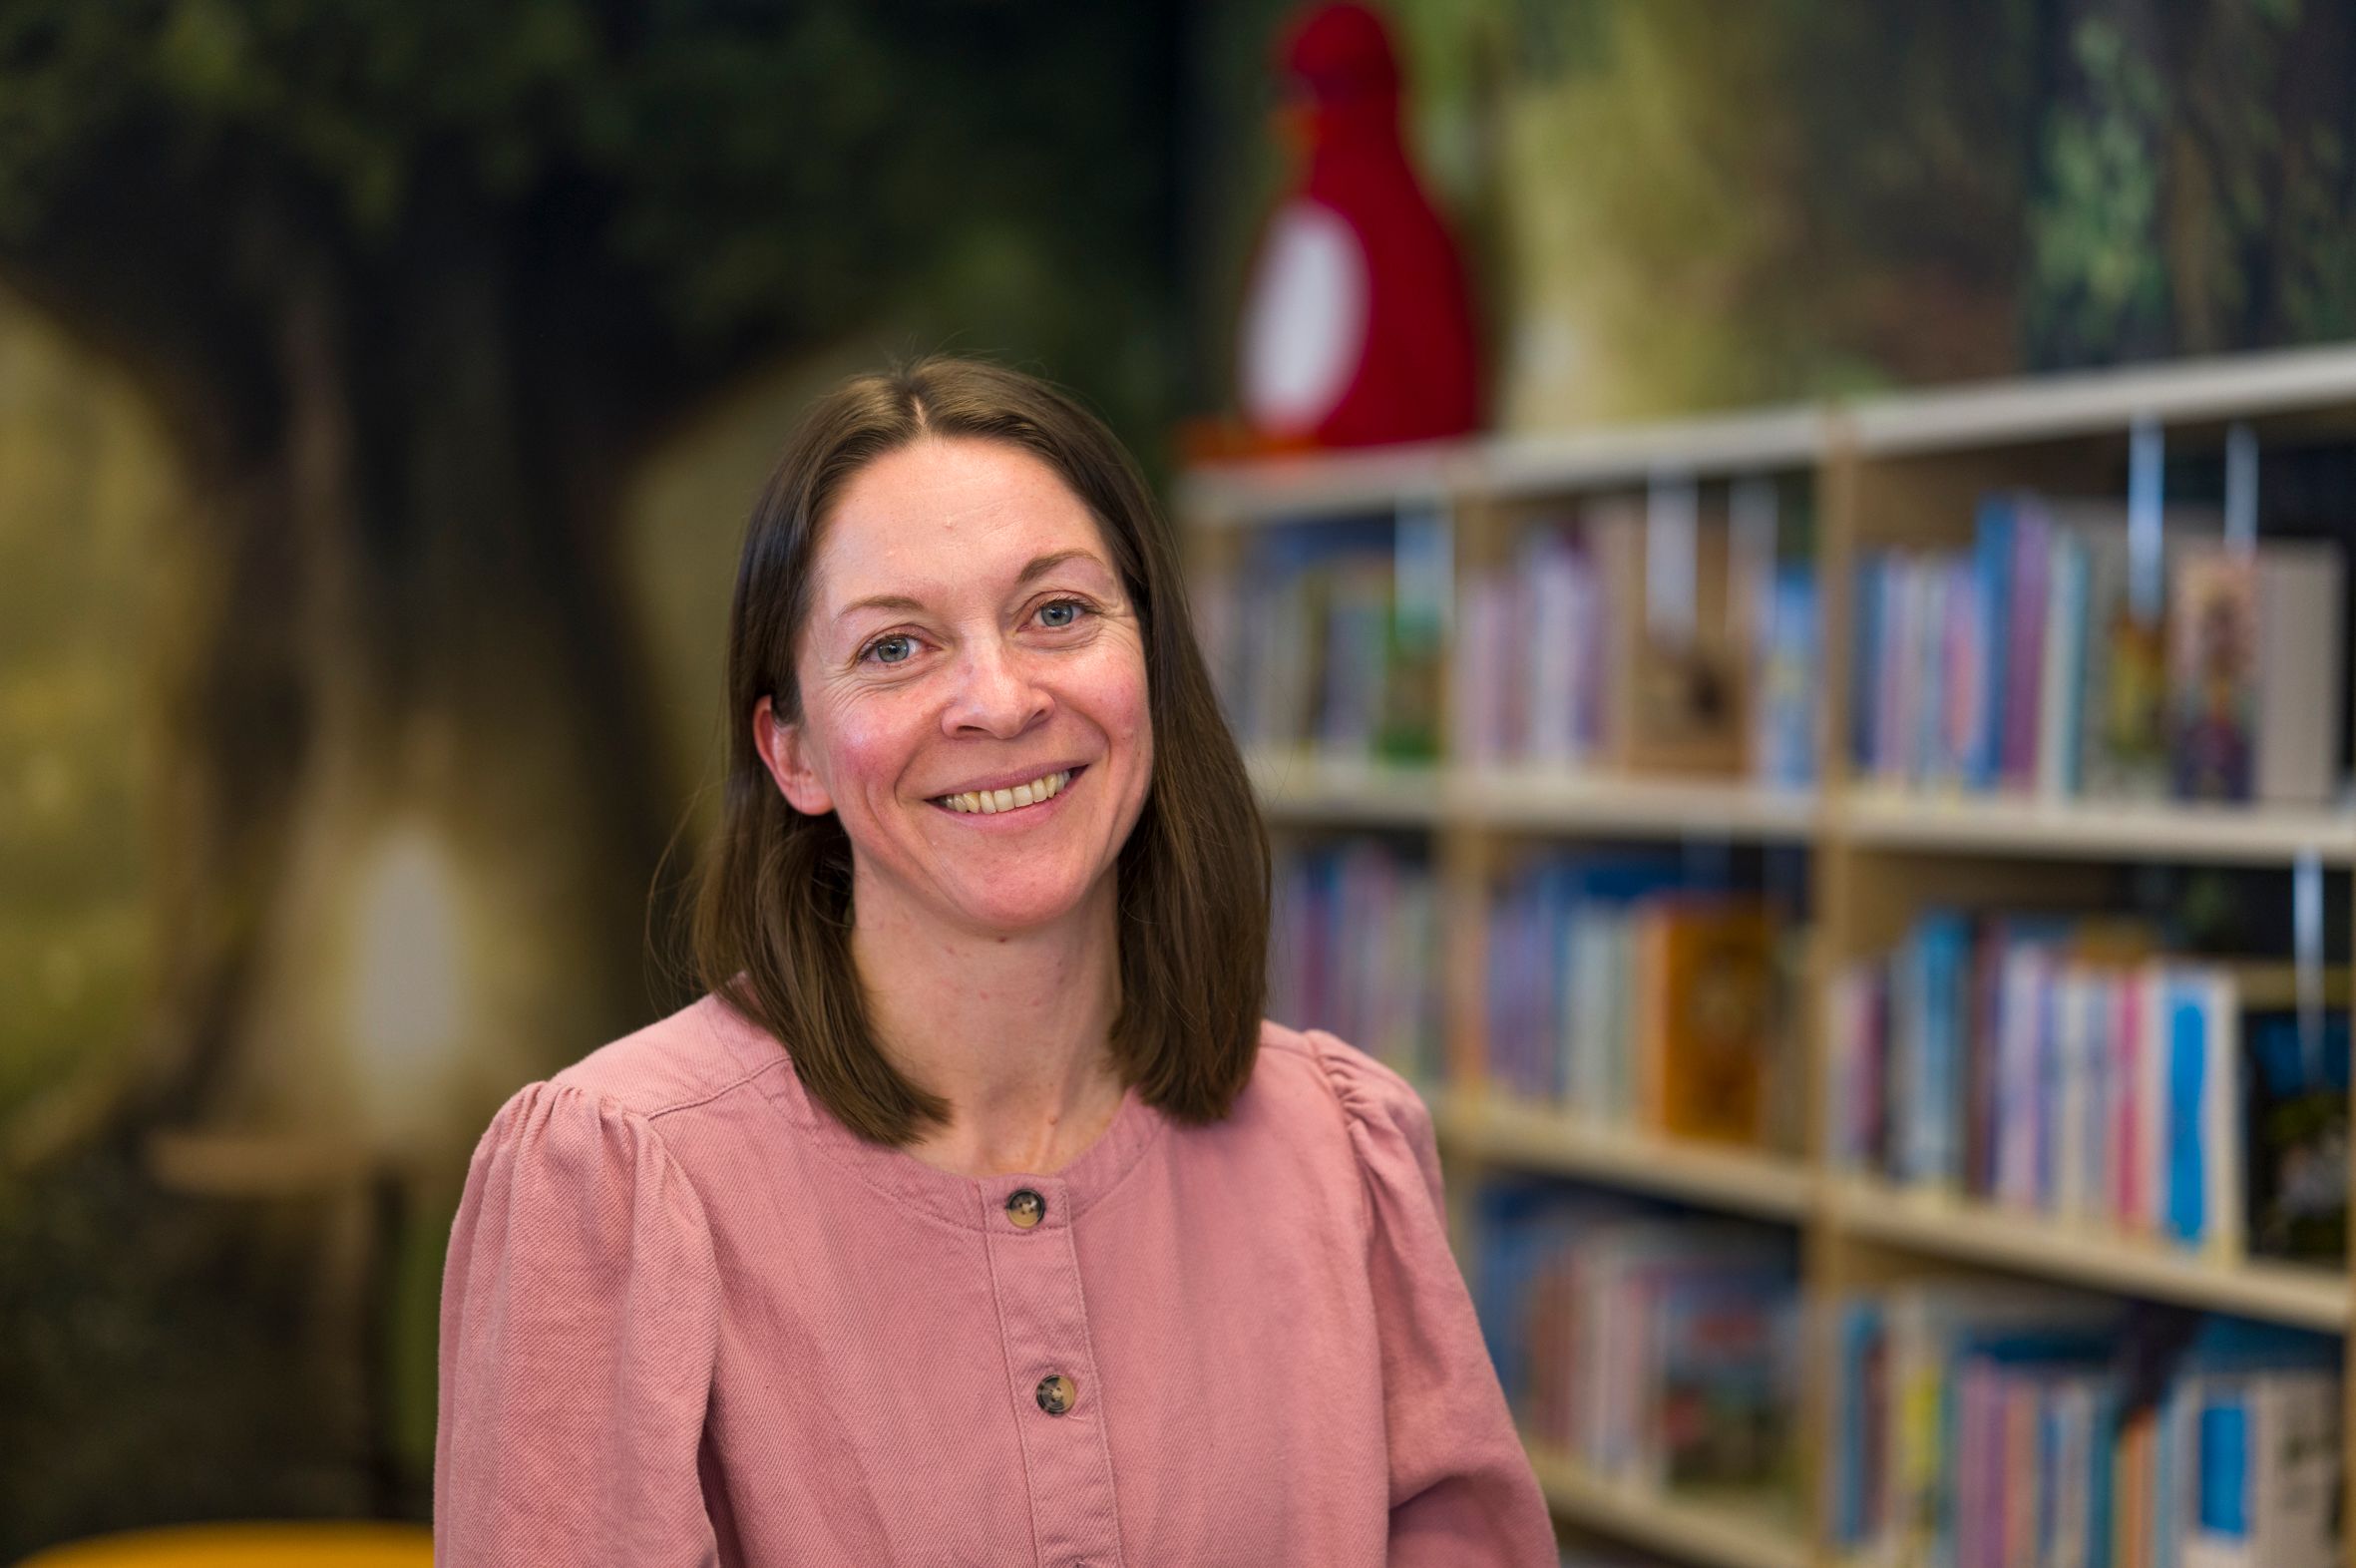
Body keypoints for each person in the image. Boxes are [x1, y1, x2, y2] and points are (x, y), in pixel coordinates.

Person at [433, 356, 1554, 1565]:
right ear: (792, 752)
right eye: (896, 648)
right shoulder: (612, 1182)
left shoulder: (1344, 1157)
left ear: (1154, 672)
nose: (999, 700)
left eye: (1057, 613)